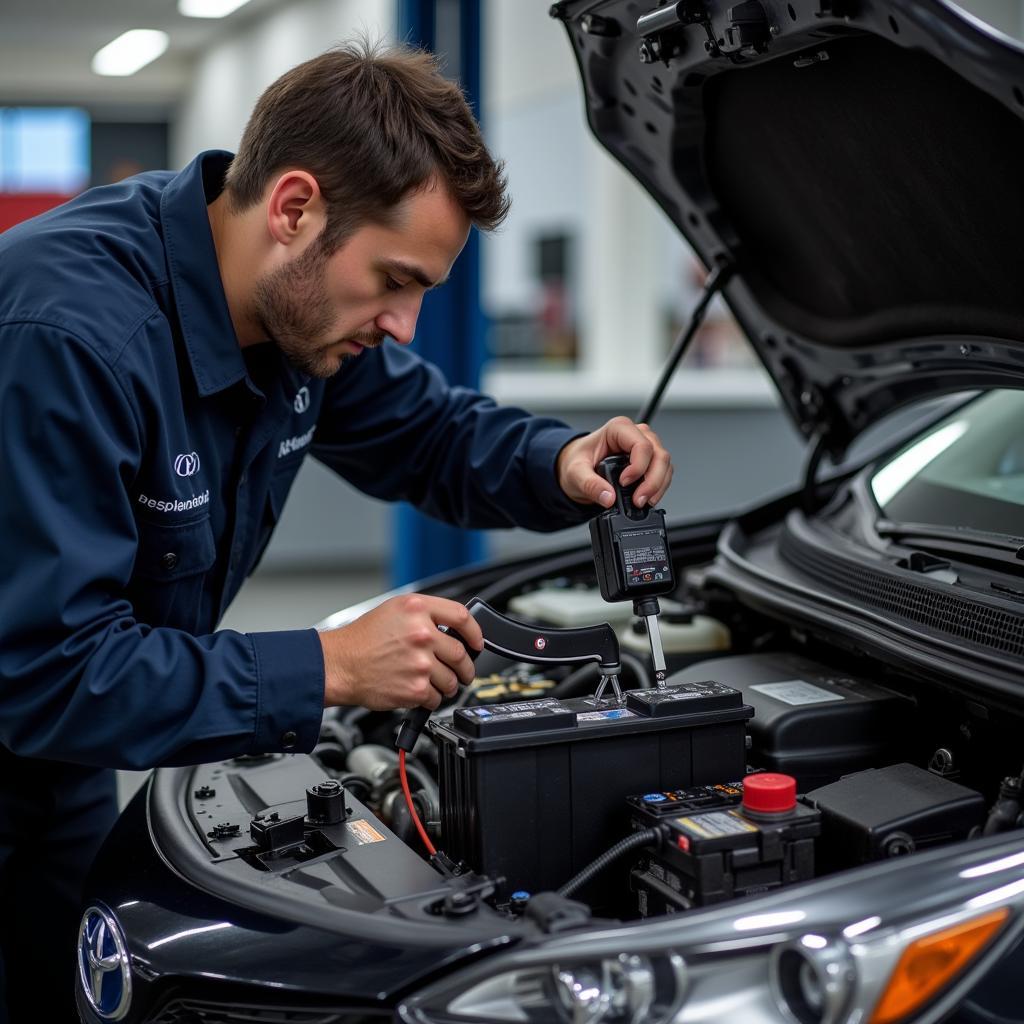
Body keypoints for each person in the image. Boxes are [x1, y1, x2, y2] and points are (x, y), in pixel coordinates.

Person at [0, 41, 673, 1021]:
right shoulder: (68, 340)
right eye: (394, 280)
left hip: (54, 768)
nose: (400, 325)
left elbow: (430, 432)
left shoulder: (297, 309)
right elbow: (48, 671)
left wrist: (557, 463)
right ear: (294, 209)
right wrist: (325, 668)